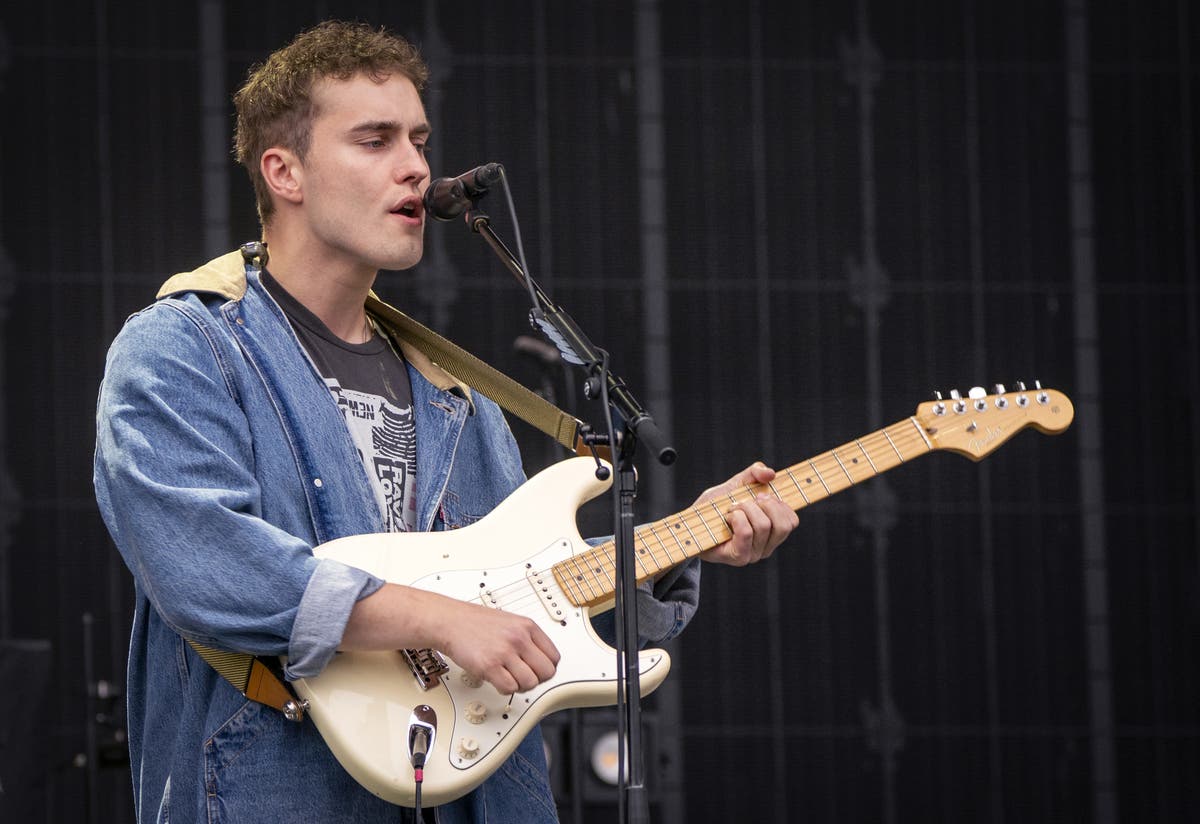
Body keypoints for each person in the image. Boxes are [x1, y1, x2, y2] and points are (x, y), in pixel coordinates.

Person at [93, 20, 798, 824]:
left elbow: (519, 589)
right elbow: (203, 558)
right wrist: (439, 620)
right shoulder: (184, 346)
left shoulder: (456, 393)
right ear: (283, 171)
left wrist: (695, 534)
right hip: (279, 791)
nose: (419, 168)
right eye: (375, 140)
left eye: (420, 140)